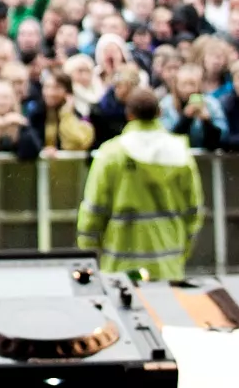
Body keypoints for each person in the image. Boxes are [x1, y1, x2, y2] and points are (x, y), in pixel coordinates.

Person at [76, 79, 205, 281]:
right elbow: (193, 211)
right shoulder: (180, 152)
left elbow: (94, 209)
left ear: (128, 114)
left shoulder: (111, 153)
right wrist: (182, 251)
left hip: (121, 263)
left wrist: (88, 250)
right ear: (160, 113)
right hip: (168, 263)